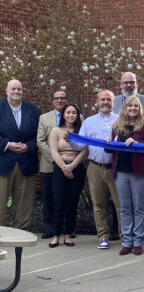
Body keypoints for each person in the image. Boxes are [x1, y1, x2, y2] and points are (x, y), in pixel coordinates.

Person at [69, 89, 121, 249]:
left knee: (121, 205)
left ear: (113, 102)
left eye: (109, 99)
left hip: (115, 168)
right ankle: (103, 237)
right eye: (102, 99)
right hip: (94, 167)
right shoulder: (88, 122)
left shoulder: (120, 120)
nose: (105, 102)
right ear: (97, 102)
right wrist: (70, 140)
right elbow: (80, 144)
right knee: (98, 204)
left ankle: (124, 236)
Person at [108, 96, 144, 255]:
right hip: (121, 172)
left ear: (139, 108)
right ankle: (127, 241)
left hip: (140, 173)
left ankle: (137, 241)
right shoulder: (116, 126)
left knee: (139, 208)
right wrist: (108, 143)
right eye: (130, 106)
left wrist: (138, 145)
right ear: (125, 108)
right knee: (125, 208)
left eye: (136, 106)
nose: (133, 108)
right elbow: (111, 150)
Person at [0, 79, 40, 230]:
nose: (16, 92)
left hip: (26, 161)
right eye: (13, 89)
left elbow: (41, 135)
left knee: (24, 201)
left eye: (19, 89)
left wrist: (29, 146)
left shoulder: (33, 110)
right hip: (3, 162)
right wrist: (7, 145)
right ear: (7, 90)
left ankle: (21, 233)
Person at [48, 104, 87, 248]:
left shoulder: (81, 131)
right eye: (68, 112)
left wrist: (72, 166)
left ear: (77, 115)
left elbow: (84, 151)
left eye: (74, 113)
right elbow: (53, 151)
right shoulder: (56, 131)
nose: (71, 115)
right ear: (63, 114)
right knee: (59, 203)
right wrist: (65, 168)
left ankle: (68, 235)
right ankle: (56, 235)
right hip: (60, 168)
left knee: (72, 203)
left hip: (77, 168)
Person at [37, 89, 68, 239]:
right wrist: (54, 158)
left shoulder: (76, 116)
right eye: (57, 98)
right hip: (48, 164)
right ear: (53, 101)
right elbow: (40, 140)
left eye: (63, 98)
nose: (60, 101)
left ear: (66, 100)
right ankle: (49, 228)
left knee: (66, 197)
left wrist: (66, 160)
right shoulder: (44, 118)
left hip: (69, 164)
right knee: (49, 197)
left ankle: (67, 228)